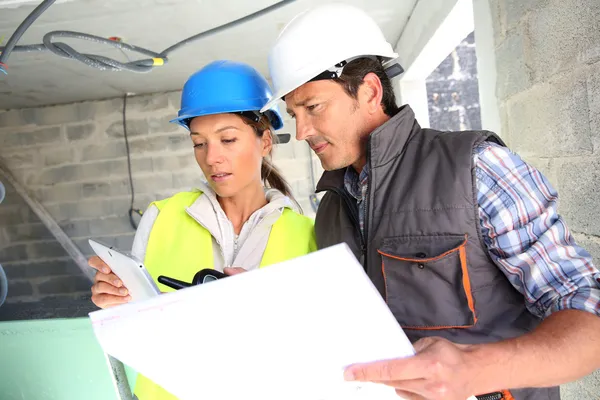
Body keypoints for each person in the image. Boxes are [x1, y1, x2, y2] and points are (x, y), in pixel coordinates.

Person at [262, 4, 600, 400]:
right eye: (293, 113)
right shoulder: (332, 208)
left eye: (313, 107)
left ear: (370, 91)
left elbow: (587, 312)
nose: (302, 131)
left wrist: (475, 370)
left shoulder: (475, 168)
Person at [88, 60, 317, 399]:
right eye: (199, 143)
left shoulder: (310, 236)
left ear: (265, 142)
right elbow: (133, 330)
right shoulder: (161, 217)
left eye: (227, 139)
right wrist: (114, 304)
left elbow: (319, 346)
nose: (212, 158)